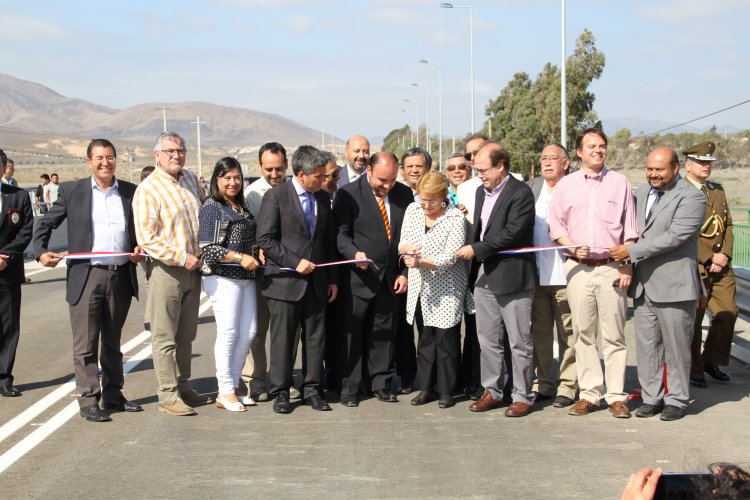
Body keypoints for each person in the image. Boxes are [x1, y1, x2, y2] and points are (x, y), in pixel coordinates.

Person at [33, 139, 144, 421]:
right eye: (99, 158)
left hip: (120, 276)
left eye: (110, 157)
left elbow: (142, 231)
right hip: (87, 276)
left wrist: (140, 248)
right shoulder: (73, 191)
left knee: (113, 342)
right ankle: (88, 400)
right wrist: (41, 251)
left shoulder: (131, 192)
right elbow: (45, 223)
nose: (105, 162)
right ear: (88, 161)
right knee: (85, 344)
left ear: (116, 159)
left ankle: (114, 395)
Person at [548, 128, 638, 418]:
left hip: (610, 268)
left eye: (602, 146)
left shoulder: (620, 183)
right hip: (578, 270)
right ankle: (589, 394)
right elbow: (556, 226)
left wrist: (627, 264)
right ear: (579, 152)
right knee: (584, 335)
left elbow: (631, 229)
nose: (598, 151)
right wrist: (571, 248)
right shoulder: (566, 185)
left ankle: (616, 397)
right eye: (591, 146)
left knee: (615, 336)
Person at [610, 147, 705, 421]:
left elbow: (675, 237)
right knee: (647, 346)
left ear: (675, 169)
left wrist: (630, 252)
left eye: (659, 169)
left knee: (676, 348)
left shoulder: (692, 197)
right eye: (650, 169)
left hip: (675, 286)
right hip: (643, 285)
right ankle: (652, 397)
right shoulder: (639, 193)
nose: (653, 174)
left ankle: (676, 399)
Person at [456, 141, 537, 417]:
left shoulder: (521, 193)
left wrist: (476, 249)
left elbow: (512, 233)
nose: (479, 175)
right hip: (484, 275)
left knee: (519, 341)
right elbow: (480, 230)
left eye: (483, 170)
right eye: (476, 170)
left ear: (501, 165)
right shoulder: (480, 192)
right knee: (487, 339)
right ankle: (492, 390)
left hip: (513, 276)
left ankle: (522, 396)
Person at [257, 145, 338, 414]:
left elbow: (326, 242)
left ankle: (313, 389)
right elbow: (266, 240)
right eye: (319, 176)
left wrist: (332, 278)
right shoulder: (276, 197)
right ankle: (280, 391)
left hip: (317, 283)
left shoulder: (323, 199)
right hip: (284, 282)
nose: (324, 180)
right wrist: (294, 262)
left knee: (316, 339)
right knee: (283, 340)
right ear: (301, 175)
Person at [134, 131, 209, 416]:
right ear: (157, 155)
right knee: (164, 336)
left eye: (180, 150)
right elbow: (148, 238)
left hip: (194, 268)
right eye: (170, 151)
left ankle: (184, 384)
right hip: (167, 270)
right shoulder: (148, 189)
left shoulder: (190, 179)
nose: (176, 155)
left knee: (186, 334)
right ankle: (167, 394)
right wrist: (181, 257)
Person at [334, 151, 412, 406]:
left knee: (384, 333)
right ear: (368, 170)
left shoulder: (403, 194)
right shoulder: (348, 194)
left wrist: (404, 273)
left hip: (390, 278)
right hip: (359, 276)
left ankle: (381, 383)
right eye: (381, 181)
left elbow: (409, 237)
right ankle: (350, 387)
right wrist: (353, 253)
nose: (387, 186)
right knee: (352, 335)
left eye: (391, 180)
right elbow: (341, 235)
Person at [399, 172, 471, 409]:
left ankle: (447, 390)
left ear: (443, 197)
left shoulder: (454, 218)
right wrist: (408, 250)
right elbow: (402, 242)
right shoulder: (413, 211)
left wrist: (422, 262)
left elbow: (451, 257)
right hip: (422, 287)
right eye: (423, 199)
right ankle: (426, 388)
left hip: (448, 287)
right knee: (426, 339)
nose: (426, 205)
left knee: (447, 340)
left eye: (432, 200)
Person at [199, 157, 261, 412]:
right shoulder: (212, 206)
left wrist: (256, 251)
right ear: (217, 180)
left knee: (249, 332)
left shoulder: (241, 206)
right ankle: (224, 390)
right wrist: (239, 257)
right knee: (229, 333)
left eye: (237, 177)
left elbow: (248, 238)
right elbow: (208, 248)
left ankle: (235, 384)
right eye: (227, 178)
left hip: (246, 277)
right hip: (223, 277)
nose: (233, 182)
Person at [682, 142, 738, 388]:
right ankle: (694, 370)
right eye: (701, 162)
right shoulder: (679, 191)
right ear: (688, 164)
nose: (707, 167)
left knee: (728, 313)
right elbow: (683, 232)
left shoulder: (716, 190)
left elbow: (727, 225)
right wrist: (708, 257)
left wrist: (724, 254)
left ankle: (710, 360)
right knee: (695, 317)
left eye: (709, 163)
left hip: (721, 265)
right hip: (695, 264)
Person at [527, 143, 578, 408]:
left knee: (569, 333)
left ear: (566, 163)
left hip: (566, 274)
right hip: (537, 276)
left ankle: (568, 386)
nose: (547, 163)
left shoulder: (575, 188)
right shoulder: (533, 188)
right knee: (540, 333)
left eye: (553, 159)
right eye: (544, 158)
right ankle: (543, 384)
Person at [242, 142, 289, 402]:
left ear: (287, 165)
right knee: (258, 329)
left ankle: (284, 378)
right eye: (269, 169)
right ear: (260, 167)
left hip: (288, 271)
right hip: (262, 272)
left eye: (279, 168)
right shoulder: (252, 195)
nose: (274, 174)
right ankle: (256, 380)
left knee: (286, 331)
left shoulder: (294, 190)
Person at [394, 147, 432, 394]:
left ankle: (431, 379)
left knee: (427, 330)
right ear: (403, 171)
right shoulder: (397, 195)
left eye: (419, 166)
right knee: (401, 330)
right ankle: (407, 376)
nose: (415, 170)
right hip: (397, 274)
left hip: (428, 273)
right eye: (410, 167)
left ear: (428, 168)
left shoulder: (440, 196)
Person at [456, 134, 489, 401]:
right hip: (470, 266)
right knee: (473, 327)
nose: (472, 159)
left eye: (476, 153)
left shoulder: (515, 183)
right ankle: (472, 380)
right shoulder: (465, 189)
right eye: (469, 156)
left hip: (499, 265)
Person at [0, 148, 33, 398]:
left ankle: (4, 378)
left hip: (7, 270)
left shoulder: (18, 197)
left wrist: (6, 256)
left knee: (9, 326)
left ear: (4, 169)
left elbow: (25, 231)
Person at [139, 166, 155, 331]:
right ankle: (150, 318)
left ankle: (150, 317)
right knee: (151, 282)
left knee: (149, 281)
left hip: (144, 248)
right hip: (147, 248)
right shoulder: (142, 196)